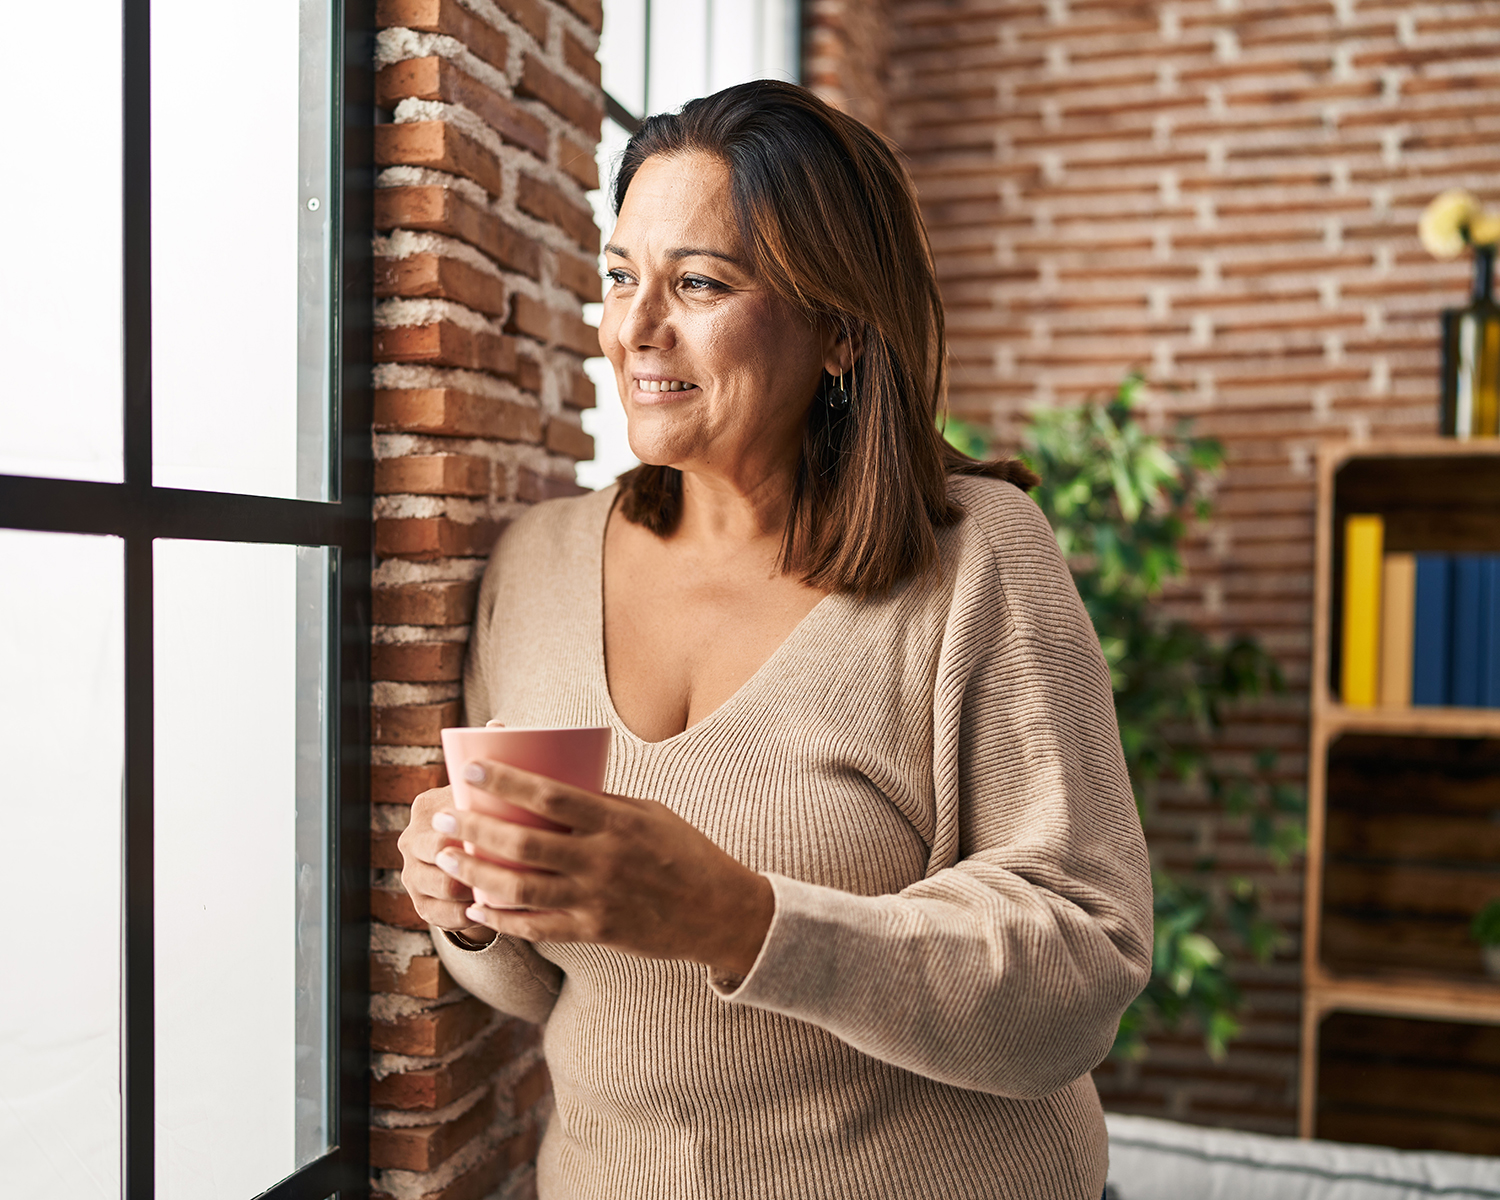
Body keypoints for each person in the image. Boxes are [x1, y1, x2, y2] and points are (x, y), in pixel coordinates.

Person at [397, 79, 1152, 1199]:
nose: (636, 328)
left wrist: (737, 917)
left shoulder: (977, 558)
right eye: (618, 276)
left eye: (698, 282)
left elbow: (1082, 965)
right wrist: (463, 907)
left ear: (840, 328)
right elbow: (548, 988)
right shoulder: (537, 565)